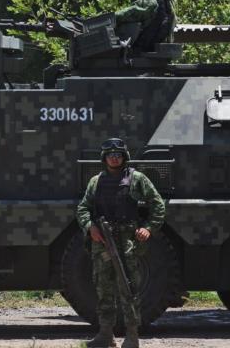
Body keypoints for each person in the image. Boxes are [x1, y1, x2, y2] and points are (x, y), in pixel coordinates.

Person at [76, 138, 165, 348]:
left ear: (124, 157)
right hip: (103, 243)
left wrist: (148, 228)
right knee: (103, 289)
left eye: (118, 155)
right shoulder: (95, 181)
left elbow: (158, 205)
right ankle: (106, 334)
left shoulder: (137, 179)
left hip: (127, 243)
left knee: (129, 290)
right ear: (104, 158)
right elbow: (83, 208)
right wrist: (91, 226)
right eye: (110, 155)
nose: (114, 158)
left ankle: (132, 336)